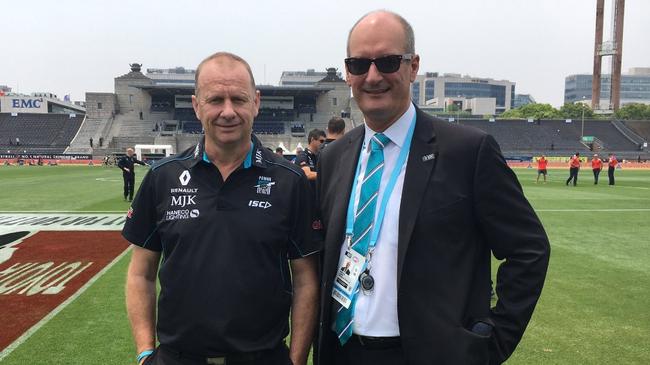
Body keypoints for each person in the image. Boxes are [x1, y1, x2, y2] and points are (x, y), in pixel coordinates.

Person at [316, 10, 550, 365]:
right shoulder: (334, 157)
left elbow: (529, 250)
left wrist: (490, 343)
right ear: (348, 72)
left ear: (413, 66)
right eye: (360, 64)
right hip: (343, 351)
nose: (373, 76)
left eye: (388, 61)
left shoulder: (468, 152)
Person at [123, 52, 319, 365]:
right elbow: (140, 273)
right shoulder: (163, 176)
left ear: (255, 102)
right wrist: (146, 352)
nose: (228, 112)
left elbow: (306, 280)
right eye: (216, 99)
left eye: (238, 99)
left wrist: (295, 361)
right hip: (178, 358)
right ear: (196, 104)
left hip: (263, 358)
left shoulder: (289, 180)